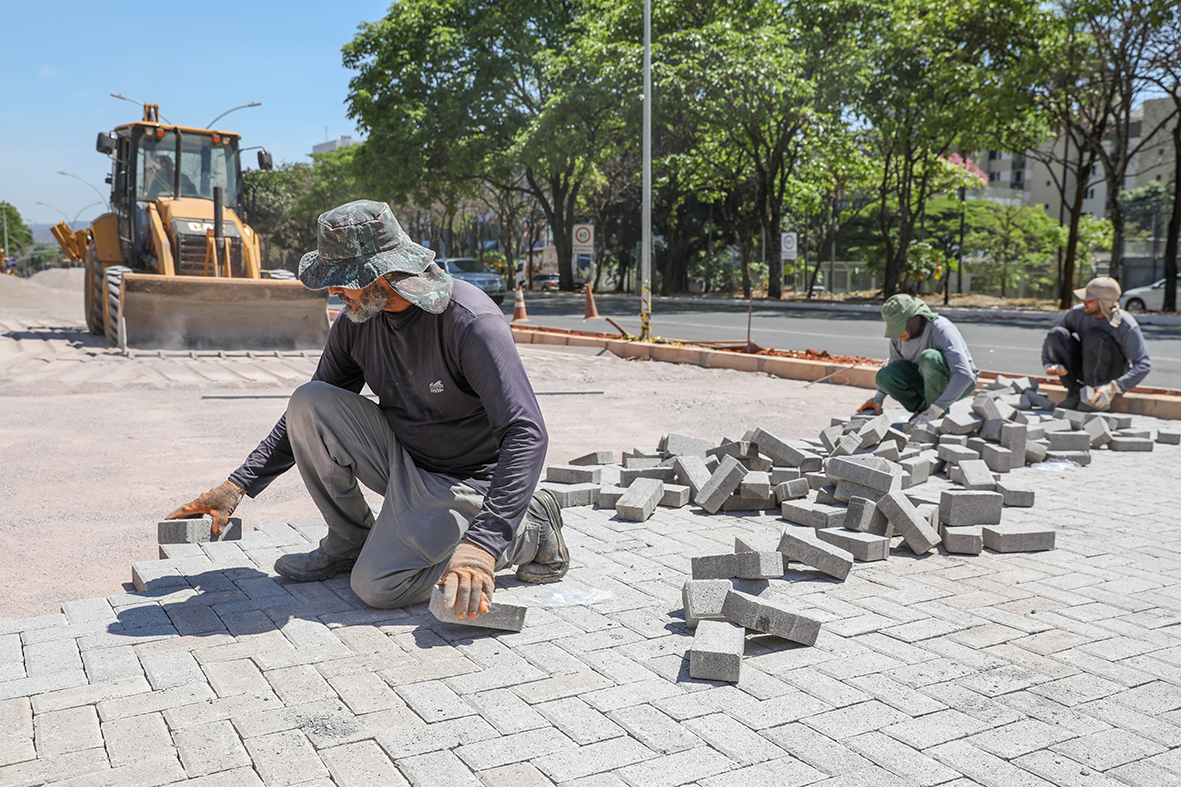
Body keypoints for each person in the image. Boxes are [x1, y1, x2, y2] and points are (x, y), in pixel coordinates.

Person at [167, 200, 568, 619]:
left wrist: (483, 544)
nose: (334, 291)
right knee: (309, 401)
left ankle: (531, 531)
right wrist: (237, 486)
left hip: (464, 480)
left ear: (383, 273)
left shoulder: (468, 321)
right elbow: (309, 418)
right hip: (403, 459)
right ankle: (349, 543)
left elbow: (526, 433)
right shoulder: (356, 322)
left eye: (342, 280)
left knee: (378, 585)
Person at [857, 294, 979, 429]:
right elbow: (895, 367)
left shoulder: (940, 328)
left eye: (899, 328)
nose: (897, 335)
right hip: (925, 380)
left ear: (913, 319)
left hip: (958, 383)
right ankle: (923, 410)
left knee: (929, 358)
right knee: (885, 375)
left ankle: (938, 419)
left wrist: (936, 410)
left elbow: (964, 375)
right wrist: (878, 398)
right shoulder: (898, 336)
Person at [1042, 276, 1150, 411]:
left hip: (1109, 374)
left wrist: (1113, 387)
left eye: (1089, 300)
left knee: (1096, 337)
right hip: (1086, 363)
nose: (1083, 302)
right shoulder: (1077, 314)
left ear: (1104, 302)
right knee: (1056, 333)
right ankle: (1075, 391)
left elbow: (1143, 365)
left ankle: (1094, 395)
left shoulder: (1125, 325)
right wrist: (1048, 362)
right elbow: (1052, 339)